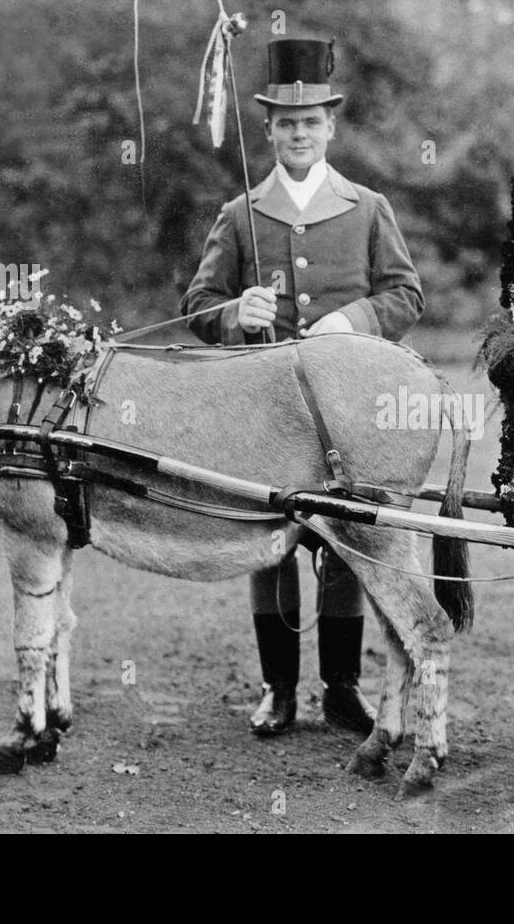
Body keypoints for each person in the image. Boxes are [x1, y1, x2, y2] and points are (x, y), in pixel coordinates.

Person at [179, 38, 424, 736]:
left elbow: (407, 295)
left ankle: (341, 689)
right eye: (286, 123)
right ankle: (278, 689)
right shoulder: (240, 214)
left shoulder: (369, 207)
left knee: (346, 540)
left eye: (311, 122)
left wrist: (356, 317)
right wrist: (233, 313)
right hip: (267, 408)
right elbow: (199, 304)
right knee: (272, 541)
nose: (299, 133)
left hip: (348, 410)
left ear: (330, 127)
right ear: (269, 130)